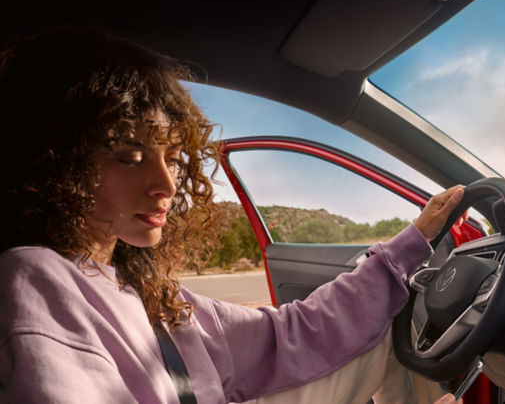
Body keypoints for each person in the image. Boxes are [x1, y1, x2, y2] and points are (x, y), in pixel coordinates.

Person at [0, 28, 468, 403]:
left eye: (172, 157)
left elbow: (286, 335)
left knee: (390, 330)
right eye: (128, 156)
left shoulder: (135, 287)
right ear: (53, 161)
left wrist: (410, 243)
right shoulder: (37, 281)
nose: (165, 185)